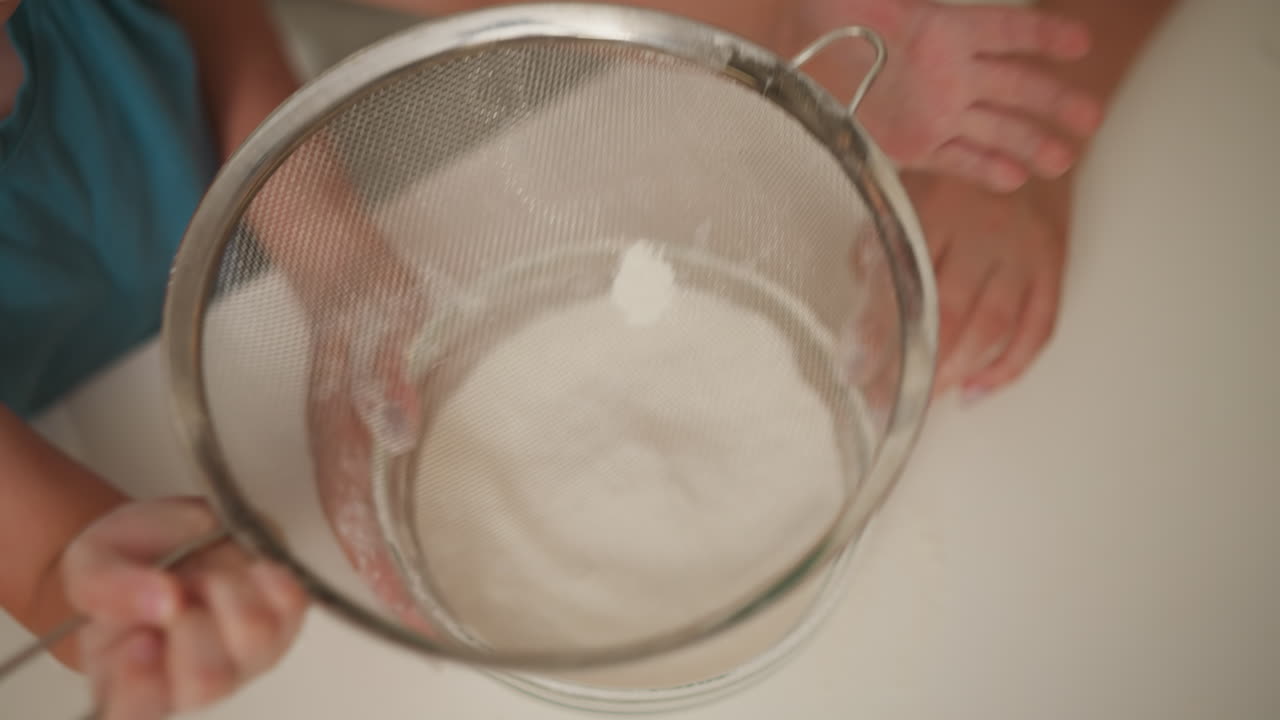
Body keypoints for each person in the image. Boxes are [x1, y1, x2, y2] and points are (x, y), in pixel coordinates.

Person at [0, 2, 1166, 720]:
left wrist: (339, 262)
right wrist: (129, 589)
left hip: (247, 234)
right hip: (95, 399)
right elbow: (55, 556)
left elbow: (205, 18)